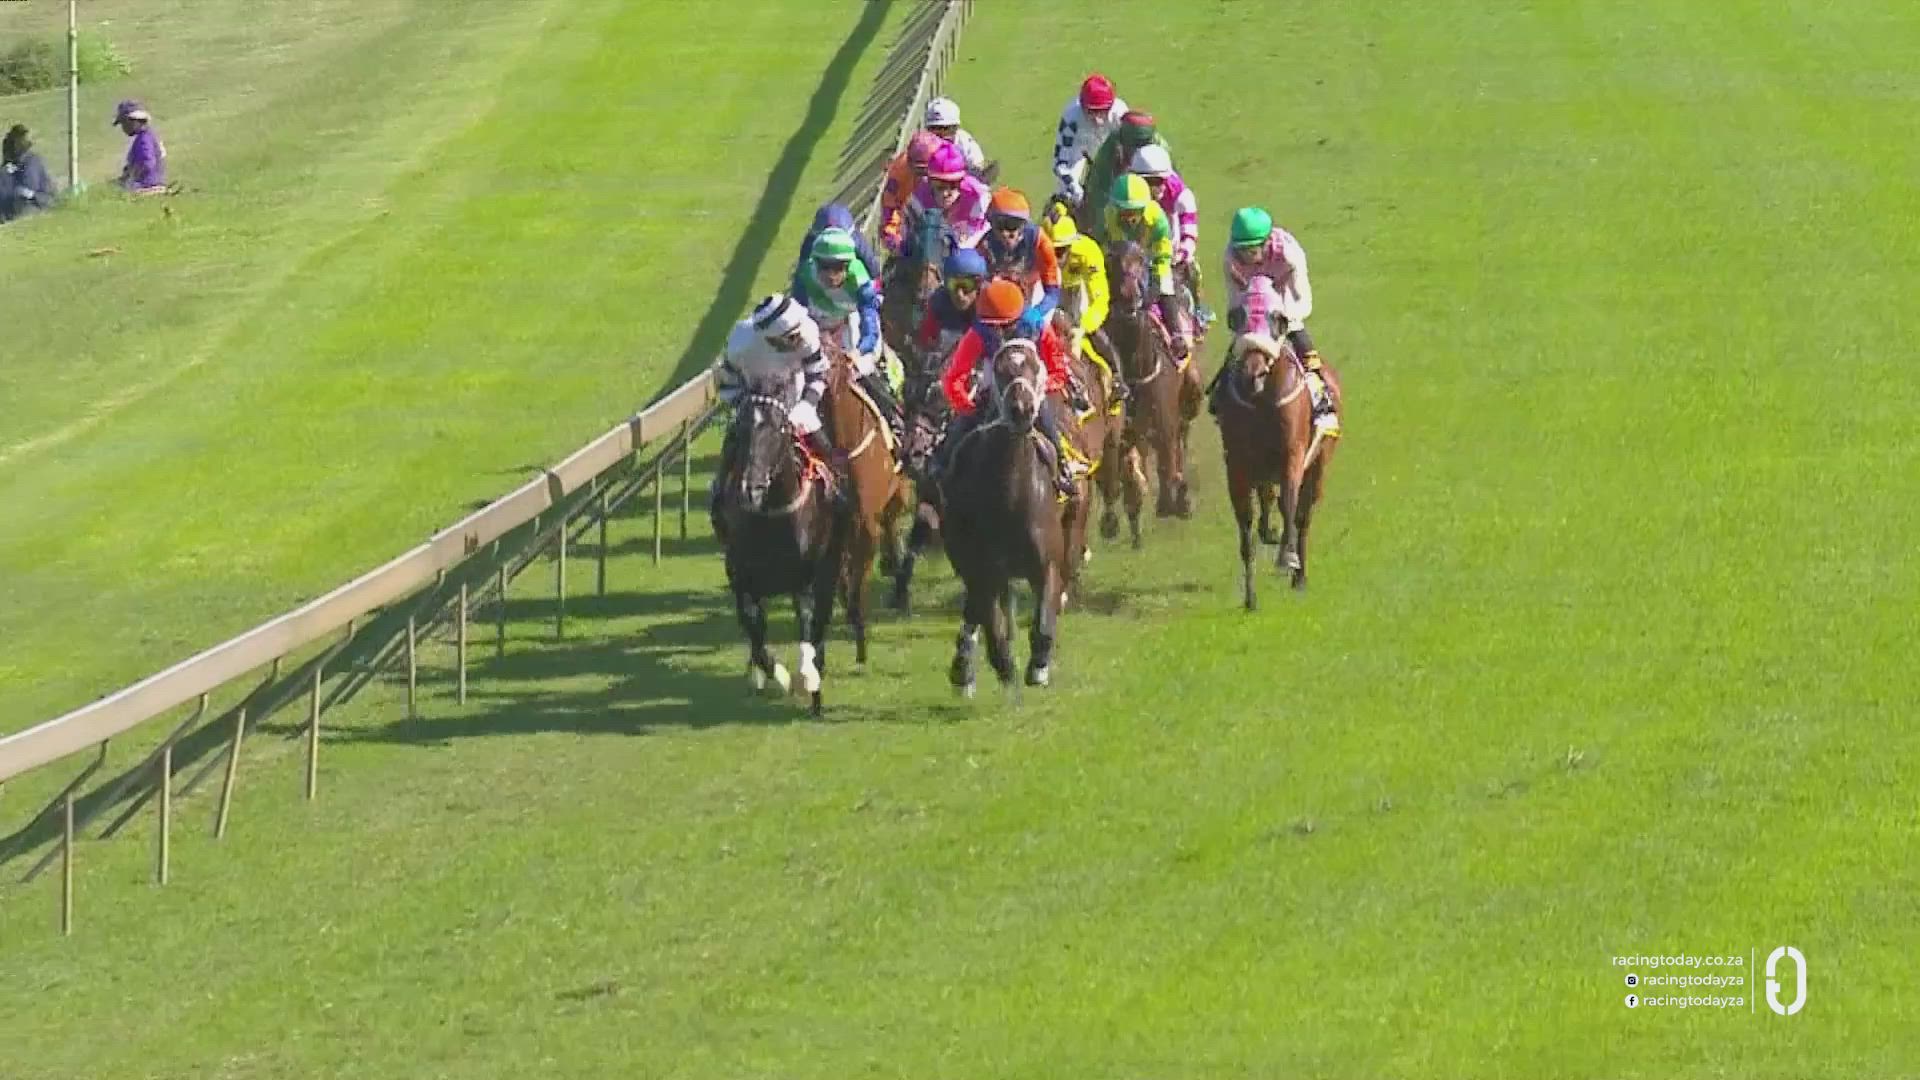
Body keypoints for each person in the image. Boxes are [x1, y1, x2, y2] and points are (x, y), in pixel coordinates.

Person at [934, 280, 1080, 497]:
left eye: (1004, 326)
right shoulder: (978, 332)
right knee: (961, 425)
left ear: (1017, 318)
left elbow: (1057, 364)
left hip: (1031, 381)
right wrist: (967, 406)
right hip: (995, 378)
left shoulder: (1036, 324)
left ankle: (1063, 466)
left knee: (1045, 417)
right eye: (992, 326)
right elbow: (955, 376)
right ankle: (942, 470)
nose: (998, 331)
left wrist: (1043, 387)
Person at [711, 294, 840, 536]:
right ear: (768, 338)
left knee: (825, 446)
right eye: (790, 339)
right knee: (735, 444)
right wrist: (747, 407)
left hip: (795, 398)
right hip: (752, 400)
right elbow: (726, 383)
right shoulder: (741, 343)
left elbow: (817, 373)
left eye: (797, 336)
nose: (797, 342)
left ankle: (839, 498)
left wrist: (806, 406)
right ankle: (719, 498)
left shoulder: (806, 331)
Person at [1212, 208, 1340, 434]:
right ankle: (1220, 396)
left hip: (1285, 304)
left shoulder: (1289, 254)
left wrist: (1282, 320)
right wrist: (1243, 322)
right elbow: (1235, 302)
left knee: (1304, 347)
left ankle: (1322, 399)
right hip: (1252, 308)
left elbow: (1303, 301)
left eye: (1251, 251)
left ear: (1266, 243)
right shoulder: (1230, 258)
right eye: (1241, 251)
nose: (1245, 257)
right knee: (1235, 356)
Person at [792, 227, 905, 441]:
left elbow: (869, 328)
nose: (830, 275)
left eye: (838, 267)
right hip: (816, 327)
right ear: (815, 263)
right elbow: (796, 316)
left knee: (863, 369)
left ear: (848, 265)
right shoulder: (804, 275)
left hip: (851, 323)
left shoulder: (860, 280)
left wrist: (858, 352)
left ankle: (893, 419)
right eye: (824, 266)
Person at [1042, 209, 1127, 409]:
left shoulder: (1088, 251)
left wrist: (1084, 326)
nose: (1055, 258)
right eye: (1050, 251)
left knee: (1091, 332)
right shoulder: (1033, 251)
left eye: (1061, 251)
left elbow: (1100, 297)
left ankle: (1116, 379)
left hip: (1075, 293)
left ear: (1072, 244)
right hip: (1046, 293)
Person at [1104, 174, 1190, 359]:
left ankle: (1176, 335)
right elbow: (1115, 246)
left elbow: (1162, 255)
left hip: (1152, 258)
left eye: (1133, 211)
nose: (1128, 217)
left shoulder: (1158, 220)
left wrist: (1156, 281)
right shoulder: (1110, 215)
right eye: (1124, 211)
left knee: (1166, 285)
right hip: (1124, 259)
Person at [1129, 144, 1210, 336]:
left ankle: (1194, 318)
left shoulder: (1181, 195)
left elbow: (1189, 231)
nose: (1158, 187)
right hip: (1137, 253)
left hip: (1170, 252)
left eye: (1161, 180)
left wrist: (1182, 252)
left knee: (1188, 272)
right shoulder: (1128, 192)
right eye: (1151, 182)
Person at [976, 187, 1060, 338]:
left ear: (1023, 225)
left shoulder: (1040, 242)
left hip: (1036, 287)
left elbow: (1053, 293)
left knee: (1041, 330)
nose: (1005, 233)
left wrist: (1037, 312)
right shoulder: (984, 246)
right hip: (1005, 289)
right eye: (999, 225)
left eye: (1011, 225)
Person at [1083, 111, 1171, 240]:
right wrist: (1101, 228)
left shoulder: (1160, 147)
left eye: (1140, 144)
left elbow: (1174, 189)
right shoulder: (1112, 146)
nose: (1135, 150)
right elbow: (1098, 187)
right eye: (1133, 145)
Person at [897, 141, 991, 258]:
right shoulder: (917, 198)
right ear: (929, 182)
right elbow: (906, 235)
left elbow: (975, 233)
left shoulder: (977, 196)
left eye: (953, 186)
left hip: (970, 243)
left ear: (961, 181)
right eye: (940, 187)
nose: (946, 193)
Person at [1052, 74, 1130, 208]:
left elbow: (1131, 152)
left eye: (1103, 111)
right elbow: (1060, 164)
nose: (1098, 120)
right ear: (1082, 106)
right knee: (1067, 194)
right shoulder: (1071, 117)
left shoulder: (1120, 113)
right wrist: (1075, 190)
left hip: (1110, 148)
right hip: (1078, 149)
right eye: (1091, 112)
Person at [878, 131, 944, 255]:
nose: (923, 177)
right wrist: (892, 237)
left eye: (926, 171)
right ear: (909, 162)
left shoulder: (950, 162)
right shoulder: (899, 171)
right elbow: (890, 207)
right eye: (919, 171)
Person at [915, 248, 987, 362]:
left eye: (966, 285)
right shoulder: (939, 303)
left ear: (979, 285)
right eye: (953, 285)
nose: (960, 294)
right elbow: (924, 343)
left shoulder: (991, 306)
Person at [797, 203, 881, 283]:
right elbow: (803, 264)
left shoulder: (851, 236)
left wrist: (876, 278)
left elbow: (867, 257)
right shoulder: (814, 237)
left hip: (840, 223)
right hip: (831, 223)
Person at [923, 97, 994, 181]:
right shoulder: (922, 145)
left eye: (944, 128)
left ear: (955, 127)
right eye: (933, 128)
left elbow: (979, 170)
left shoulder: (966, 144)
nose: (938, 132)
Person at [1, 125, 56, 222]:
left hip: (36, 203)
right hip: (13, 206)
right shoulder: (8, 167)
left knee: (23, 207)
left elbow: (27, 189)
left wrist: (13, 177)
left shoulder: (31, 162)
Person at [112, 100, 167, 193]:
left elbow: (147, 163)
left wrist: (131, 177)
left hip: (148, 186)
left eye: (124, 123)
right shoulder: (147, 136)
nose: (123, 128)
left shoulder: (144, 139)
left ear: (134, 121)